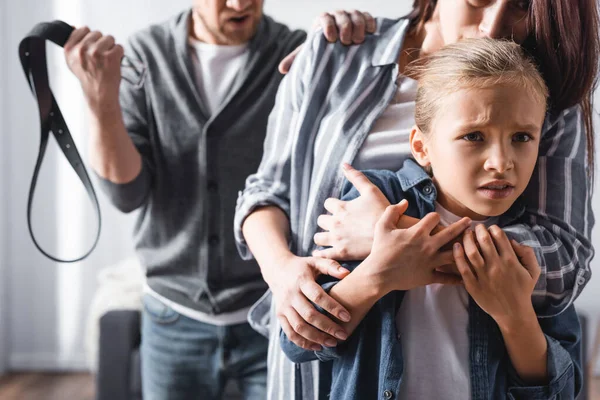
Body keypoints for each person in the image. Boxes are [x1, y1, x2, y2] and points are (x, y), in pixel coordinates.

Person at [235, 0, 598, 398]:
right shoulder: (338, 48)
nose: (493, 26)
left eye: (521, 6)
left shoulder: (538, 92)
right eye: (478, 1)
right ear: (419, 145)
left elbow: (562, 261)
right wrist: (282, 270)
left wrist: (391, 237)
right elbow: (267, 190)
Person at [62, 1, 375, 399]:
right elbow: (127, 194)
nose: (241, 4)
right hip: (173, 316)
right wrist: (101, 101)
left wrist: (362, 34)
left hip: (270, 313)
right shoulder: (143, 57)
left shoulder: (295, 51)